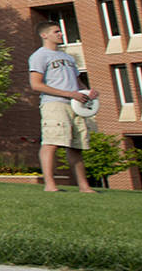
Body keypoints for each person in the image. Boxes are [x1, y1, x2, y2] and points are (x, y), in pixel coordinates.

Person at [29, 21, 99, 192]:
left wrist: (87, 93)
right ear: (44, 35)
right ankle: (50, 185)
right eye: (56, 31)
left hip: (75, 106)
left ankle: (84, 186)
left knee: (77, 146)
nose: (60, 34)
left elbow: (77, 82)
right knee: (51, 143)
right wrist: (69, 94)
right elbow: (36, 85)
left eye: (60, 31)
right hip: (54, 104)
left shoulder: (68, 58)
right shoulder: (39, 56)